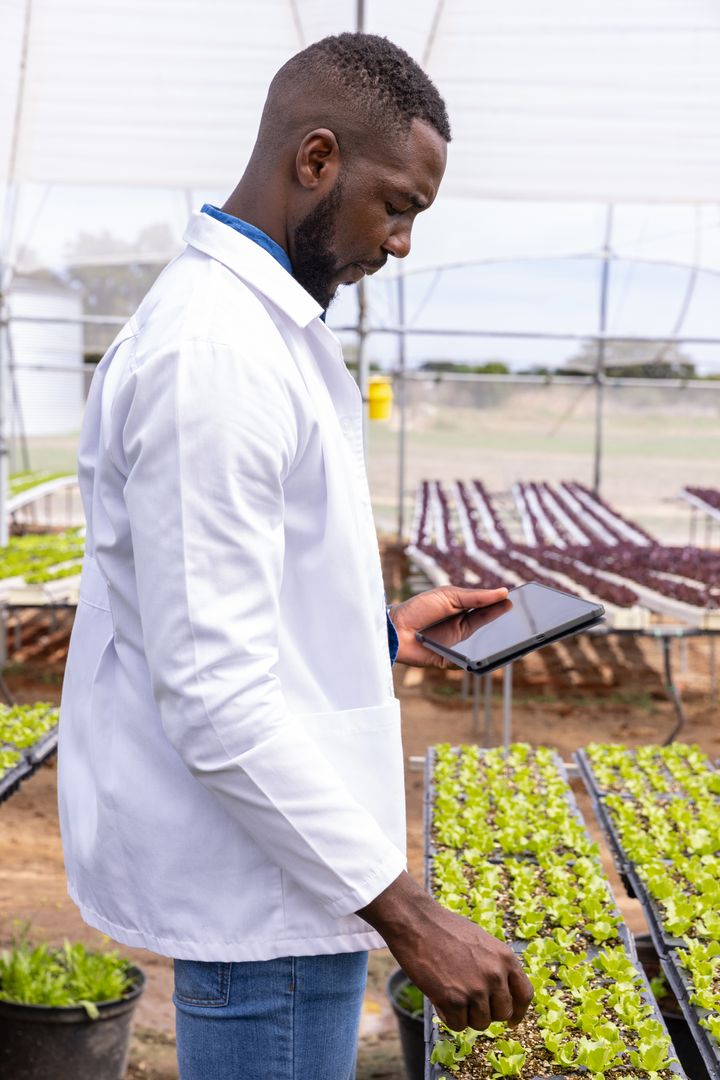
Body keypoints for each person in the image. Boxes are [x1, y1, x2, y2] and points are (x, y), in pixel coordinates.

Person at [58, 31, 533, 1079]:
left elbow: (234, 609)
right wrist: (412, 915)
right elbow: (215, 693)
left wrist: (380, 634)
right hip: (268, 893)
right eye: (398, 205)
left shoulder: (259, 329)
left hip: (301, 877)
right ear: (315, 160)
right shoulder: (214, 358)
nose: (402, 242)